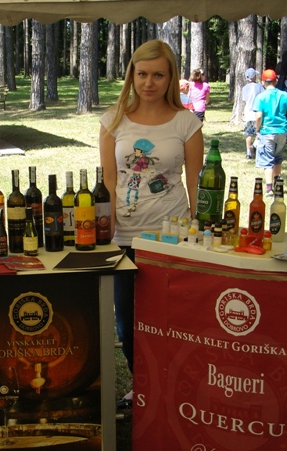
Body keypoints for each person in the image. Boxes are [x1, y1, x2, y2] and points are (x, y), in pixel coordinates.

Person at [99, 39, 204, 406]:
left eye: (158, 75)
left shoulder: (187, 123)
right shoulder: (113, 120)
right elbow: (109, 181)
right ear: (131, 75)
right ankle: (143, 384)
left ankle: (175, 387)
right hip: (125, 238)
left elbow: (196, 183)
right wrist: (106, 232)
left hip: (171, 237)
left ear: (171, 77)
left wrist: (198, 229)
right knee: (127, 323)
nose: (149, 83)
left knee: (173, 319)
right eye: (142, 74)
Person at [253, 68, 287, 196]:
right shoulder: (284, 95)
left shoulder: (260, 97)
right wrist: (285, 123)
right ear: (276, 80)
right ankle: (277, 184)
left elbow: (258, 116)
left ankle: (269, 188)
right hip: (282, 132)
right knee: (278, 158)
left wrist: (258, 128)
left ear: (263, 82)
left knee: (267, 161)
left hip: (267, 132)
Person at [241, 67, 265, 159]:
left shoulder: (244, 88)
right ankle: (254, 145)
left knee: (248, 134)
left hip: (248, 113)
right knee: (259, 132)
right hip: (257, 113)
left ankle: (248, 152)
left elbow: (244, 99)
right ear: (254, 77)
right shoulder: (259, 87)